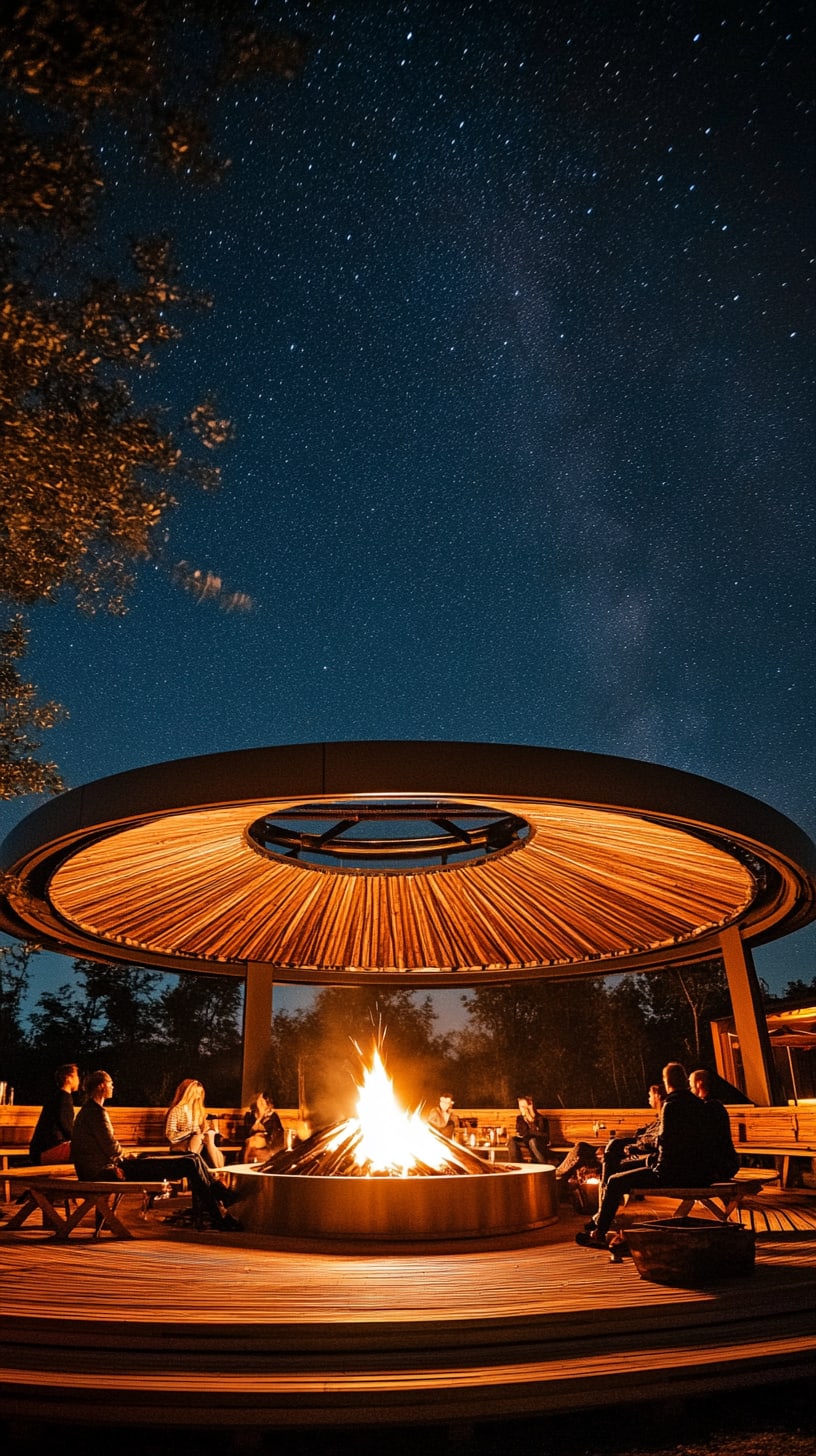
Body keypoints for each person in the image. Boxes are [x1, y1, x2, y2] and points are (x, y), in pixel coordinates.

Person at [72, 1071, 240, 1230]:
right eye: (110, 1083)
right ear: (101, 1086)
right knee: (190, 1162)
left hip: (110, 1167)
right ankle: (221, 1208)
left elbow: (107, 1146)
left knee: (192, 1158)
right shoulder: (95, 1113)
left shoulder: (90, 1111)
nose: (113, 1086)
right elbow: (110, 1147)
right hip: (109, 1171)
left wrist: (126, 1155)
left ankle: (221, 1204)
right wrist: (126, 1155)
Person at [575, 1062, 717, 1249]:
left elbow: (664, 1142)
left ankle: (599, 1233)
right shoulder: (700, 1106)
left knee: (615, 1181)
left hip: (672, 1173)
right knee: (620, 1172)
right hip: (698, 1172)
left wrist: (649, 1161)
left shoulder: (671, 1105)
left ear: (667, 1083)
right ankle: (601, 1222)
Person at [691, 1067, 739, 1180]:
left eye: (691, 1083)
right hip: (727, 1163)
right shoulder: (715, 1105)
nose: (690, 1088)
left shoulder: (707, 1108)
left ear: (699, 1083)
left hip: (719, 1167)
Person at [165, 1078, 225, 1168]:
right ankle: (193, 1165)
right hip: (180, 1144)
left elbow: (199, 1130)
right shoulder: (177, 1110)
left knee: (209, 1137)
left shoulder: (197, 1110)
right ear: (189, 1093)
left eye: (200, 1093)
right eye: (196, 1093)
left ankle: (217, 1169)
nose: (198, 1096)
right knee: (198, 1138)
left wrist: (207, 1130)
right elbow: (171, 1135)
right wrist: (191, 1132)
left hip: (197, 1142)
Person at [29, 1063, 80, 1163]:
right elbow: (67, 1128)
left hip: (41, 1150)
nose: (78, 1080)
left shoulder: (58, 1097)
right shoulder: (63, 1098)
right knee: (89, 1149)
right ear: (68, 1078)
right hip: (47, 1150)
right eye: (76, 1076)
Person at [241, 1092, 285, 1162]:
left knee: (253, 1141)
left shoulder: (273, 1116)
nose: (261, 1102)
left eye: (263, 1100)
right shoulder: (250, 1115)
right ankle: (245, 1163)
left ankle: (245, 1162)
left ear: (268, 1104)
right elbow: (247, 1132)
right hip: (251, 1140)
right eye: (259, 1099)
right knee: (251, 1141)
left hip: (266, 1142)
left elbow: (276, 1134)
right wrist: (260, 1117)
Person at [508, 1096, 550, 1164]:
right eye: (520, 1106)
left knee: (532, 1141)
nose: (521, 1109)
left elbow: (542, 1135)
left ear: (530, 1106)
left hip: (539, 1141)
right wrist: (525, 1132)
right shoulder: (520, 1118)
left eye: (523, 1107)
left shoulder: (541, 1119)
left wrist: (531, 1119)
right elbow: (521, 1132)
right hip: (526, 1140)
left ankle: (542, 1164)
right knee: (512, 1140)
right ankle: (515, 1164)